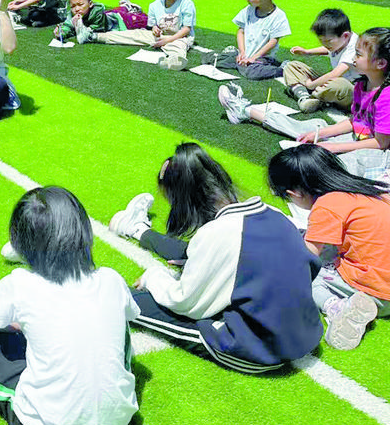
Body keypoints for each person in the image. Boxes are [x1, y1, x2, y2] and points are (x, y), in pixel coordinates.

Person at [0, 187, 139, 425]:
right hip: (120, 420)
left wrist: (13, 327)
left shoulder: (21, 283)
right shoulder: (111, 279)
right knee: (120, 318)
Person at [108, 142, 322, 373]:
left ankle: (127, 242)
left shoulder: (217, 233)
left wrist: (154, 277)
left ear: (185, 201)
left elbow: (184, 302)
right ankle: (137, 229)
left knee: (123, 299)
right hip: (305, 333)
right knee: (189, 254)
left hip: (259, 349)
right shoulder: (275, 214)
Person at [218, 27, 390, 181]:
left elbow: (380, 143)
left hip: (381, 152)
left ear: (381, 63)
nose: (353, 57)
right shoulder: (361, 85)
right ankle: (245, 111)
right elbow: (355, 122)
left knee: (336, 163)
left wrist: (334, 147)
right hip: (360, 139)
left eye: (358, 54)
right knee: (314, 128)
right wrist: (321, 134)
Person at [268, 145, 390, 350]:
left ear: (294, 193)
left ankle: (336, 307)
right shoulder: (370, 190)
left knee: (302, 276)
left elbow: (305, 258)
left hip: (380, 292)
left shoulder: (327, 205)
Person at [90, 0, 196, 71]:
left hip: (179, 37)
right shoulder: (154, 5)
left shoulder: (186, 3)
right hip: (161, 36)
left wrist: (168, 40)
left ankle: (176, 61)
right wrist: (155, 29)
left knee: (179, 46)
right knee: (135, 34)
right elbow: (153, 25)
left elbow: (186, 29)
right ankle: (95, 36)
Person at [215, 0, 290, 80]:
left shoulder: (279, 16)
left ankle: (283, 69)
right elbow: (241, 31)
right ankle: (236, 56)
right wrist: (242, 52)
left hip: (263, 58)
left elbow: (273, 41)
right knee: (213, 59)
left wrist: (254, 58)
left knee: (252, 72)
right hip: (246, 54)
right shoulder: (248, 10)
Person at [284, 8, 358, 112]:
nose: (325, 44)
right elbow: (328, 49)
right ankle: (306, 97)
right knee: (292, 66)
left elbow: (335, 74)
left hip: (353, 91)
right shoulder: (339, 41)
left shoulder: (356, 46)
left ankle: (311, 95)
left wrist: (311, 85)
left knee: (339, 84)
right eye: (321, 40)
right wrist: (307, 52)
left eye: (328, 41)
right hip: (333, 84)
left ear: (345, 35)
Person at [53, 0, 145, 45]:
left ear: (90, 4)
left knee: (144, 21)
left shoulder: (97, 13)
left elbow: (98, 29)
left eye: (80, 5)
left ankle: (128, 7)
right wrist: (61, 32)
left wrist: (79, 25)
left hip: (121, 20)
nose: (76, 9)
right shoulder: (72, 15)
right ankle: (125, 6)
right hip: (110, 14)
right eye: (73, 6)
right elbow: (67, 25)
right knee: (116, 10)